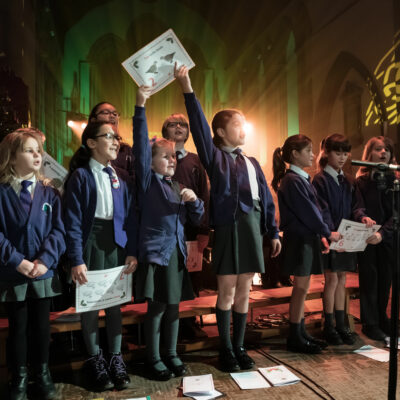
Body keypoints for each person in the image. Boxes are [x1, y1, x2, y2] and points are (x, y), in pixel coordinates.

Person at [175, 65, 281, 372]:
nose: (243, 129)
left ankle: (239, 345)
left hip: (252, 227)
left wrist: (272, 232)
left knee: (246, 288)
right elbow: (197, 125)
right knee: (227, 289)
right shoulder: (215, 156)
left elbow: (265, 198)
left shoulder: (252, 161)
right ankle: (225, 348)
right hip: (229, 225)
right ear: (220, 132)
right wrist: (187, 87)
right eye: (238, 125)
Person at [133, 86, 204, 381]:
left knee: (174, 306)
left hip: (175, 253)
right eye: (165, 157)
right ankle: (154, 356)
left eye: (174, 157)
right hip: (156, 253)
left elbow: (196, 216)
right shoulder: (148, 181)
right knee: (158, 308)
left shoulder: (176, 186)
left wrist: (194, 200)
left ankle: (172, 352)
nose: (172, 161)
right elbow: (140, 145)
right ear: (150, 162)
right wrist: (140, 106)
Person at [64, 121, 137, 391]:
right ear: (91, 143)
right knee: (92, 305)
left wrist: (132, 251)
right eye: (109, 136)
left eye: (117, 137)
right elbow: (71, 222)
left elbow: (130, 218)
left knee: (116, 302)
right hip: (91, 244)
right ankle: (95, 359)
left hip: (116, 244)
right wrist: (76, 258)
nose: (116, 141)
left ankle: (116, 358)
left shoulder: (121, 177)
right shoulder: (81, 176)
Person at [0, 128, 65, 400]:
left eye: (39, 150)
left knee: (41, 326)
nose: (38, 154)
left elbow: (58, 231)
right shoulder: (2, 192)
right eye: (29, 150)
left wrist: (44, 260)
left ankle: (42, 372)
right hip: (14, 272)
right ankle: (19, 378)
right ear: (12, 157)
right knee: (18, 328)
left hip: (42, 271)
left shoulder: (49, 193)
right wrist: (17, 261)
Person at [271, 134, 341, 354]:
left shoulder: (300, 179)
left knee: (303, 288)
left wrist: (322, 232)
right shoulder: (292, 180)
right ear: (295, 154)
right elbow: (309, 212)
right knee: (300, 289)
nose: (313, 155)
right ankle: (295, 335)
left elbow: (315, 209)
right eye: (308, 150)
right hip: (299, 240)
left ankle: (300, 332)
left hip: (306, 239)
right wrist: (326, 231)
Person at [161, 113, 210, 339]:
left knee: (191, 278)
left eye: (183, 124)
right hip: (165, 230)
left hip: (190, 228)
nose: (178, 127)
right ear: (165, 131)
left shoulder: (195, 161)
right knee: (168, 279)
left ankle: (188, 324)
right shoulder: (157, 159)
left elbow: (204, 195)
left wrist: (203, 230)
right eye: (173, 124)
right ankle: (166, 326)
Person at [312, 134, 357, 345]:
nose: (342, 158)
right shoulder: (320, 179)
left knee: (342, 279)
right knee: (331, 279)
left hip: (346, 235)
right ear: (327, 153)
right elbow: (322, 209)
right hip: (331, 235)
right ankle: (329, 325)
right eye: (337, 153)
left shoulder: (348, 179)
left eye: (345, 153)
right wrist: (331, 233)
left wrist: (362, 217)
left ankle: (341, 324)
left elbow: (355, 206)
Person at [353, 136, 395, 341]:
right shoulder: (361, 181)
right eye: (378, 149)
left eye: (386, 149)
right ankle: (370, 323)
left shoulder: (394, 180)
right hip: (368, 238)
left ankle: (382, 318)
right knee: (369, 280)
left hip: (388, 238)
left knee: (386, 280)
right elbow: (357, 206)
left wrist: (383, 233)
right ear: (369, 154)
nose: (383, 152)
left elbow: (397, 213)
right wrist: (363, 217)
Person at [89, 102, 134, 177]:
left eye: (115, 114)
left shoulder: (126, 151)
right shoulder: (84, 158)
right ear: (93, 120)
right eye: (106, 113)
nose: (112, 116)